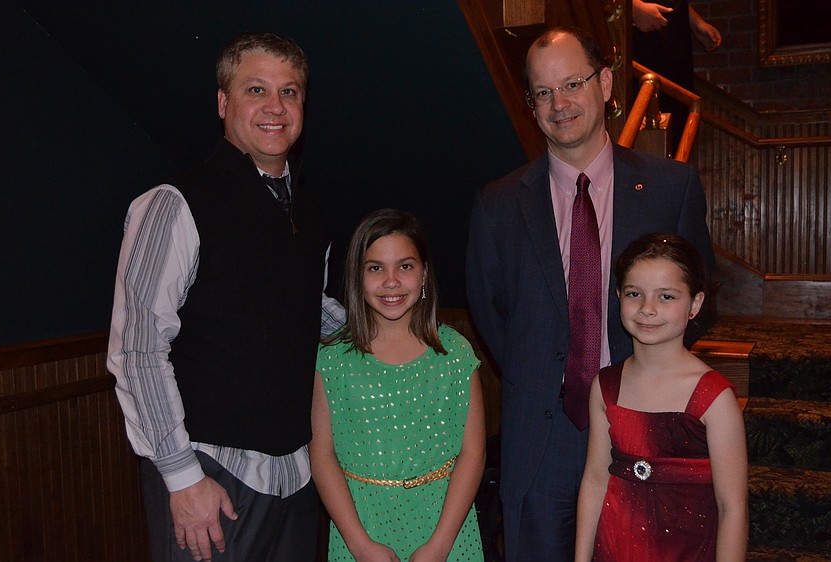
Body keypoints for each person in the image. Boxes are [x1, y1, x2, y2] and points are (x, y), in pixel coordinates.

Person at [465, 26, 716, 561]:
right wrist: (540, 377)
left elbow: (700, 296)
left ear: (604, 84)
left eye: (572, 83)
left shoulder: (671, 189)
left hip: (644, 428)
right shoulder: (497, 205)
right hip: (542, 438)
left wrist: (652, 383)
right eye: (543, 92)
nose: (560, 104)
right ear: (531, 105)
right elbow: (490, 313)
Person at [107, 32, 345, 562]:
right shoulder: (174, 203)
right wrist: (181, 476)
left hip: (299, 477)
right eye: (256, 90)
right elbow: (139, 347)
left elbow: (313, 312)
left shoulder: (308, 211)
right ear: (223, 103)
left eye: (290, 92)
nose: (275, 108)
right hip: (210, 480)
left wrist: (400, 333)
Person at [311, 208, 486, 561]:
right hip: (360, 529)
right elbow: (323, 455)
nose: (391, 281)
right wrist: (360, 545)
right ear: (357, 277)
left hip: (446, 531)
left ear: (423, 274)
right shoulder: (331, 359)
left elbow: (472, 453)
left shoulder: (455, 353)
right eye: (375, 268)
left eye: (405, 266)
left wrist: (439, 545)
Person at [575, 233, 747, 561]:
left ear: (695, 304)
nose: (647, 309)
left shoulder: (713, 397)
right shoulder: (606, 386)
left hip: (687, 551)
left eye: (666, 296)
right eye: (634, 294)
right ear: (618, 297)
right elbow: (595, 480)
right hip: (615, 549)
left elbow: (732, 508)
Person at [632, 0, 722, 153]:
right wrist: (632, 8)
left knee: (678, 128)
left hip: (673, 37)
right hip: (637, 42)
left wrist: (694, 21)